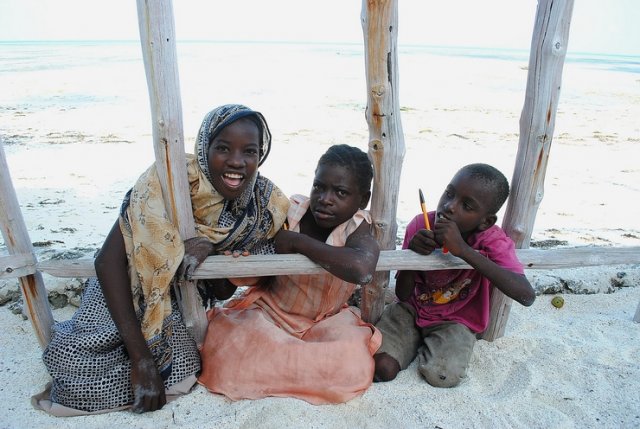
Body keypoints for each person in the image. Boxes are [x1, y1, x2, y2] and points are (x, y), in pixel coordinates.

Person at [33, 104, 290, 415]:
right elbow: (106, 261)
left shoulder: (261, 203)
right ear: (204, 147)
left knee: (182, 372)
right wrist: (141, 359)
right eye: (223, 148)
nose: (237, 161)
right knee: (76, 358)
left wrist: (210, 248)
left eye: (249, 151)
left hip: (176, 307)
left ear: (260, 155)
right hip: (124, 289)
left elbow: (221, 292)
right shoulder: (168, 181)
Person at [198, 144, 382, 404]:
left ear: (362, 200)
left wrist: (298, 243)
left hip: (326, 321)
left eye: (340, 192)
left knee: (354, 364)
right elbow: (237, 278)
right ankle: (295, 372)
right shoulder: (289, 212)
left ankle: (280, 369)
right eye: (319, 187)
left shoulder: (356, 226)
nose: (325, 199)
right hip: (271, 314)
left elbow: (362, 269)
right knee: (228, 347)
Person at [373, 163, 535, 387]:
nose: (449, 206)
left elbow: (526, 295)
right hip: (410, 309)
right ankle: (412, 342)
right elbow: (402, 293)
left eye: (466, 206)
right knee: (382, 368)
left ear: (485, 221)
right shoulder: (421, 225)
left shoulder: (491, 241)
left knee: (441, 377)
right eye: (449, 194)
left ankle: (427, 345)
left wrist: (463, 250)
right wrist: (413, 254)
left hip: (456, 320)